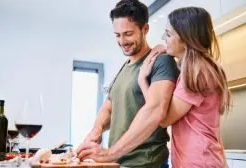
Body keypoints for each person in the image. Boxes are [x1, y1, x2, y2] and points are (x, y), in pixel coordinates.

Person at [76, 0, 179, 167]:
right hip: (120, 163)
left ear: (145, 29)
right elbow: (109, 106)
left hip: (147, 163)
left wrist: (110, 153)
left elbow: (155, 111)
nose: (122, 41)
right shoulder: (125, 67)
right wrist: (97, 130)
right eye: (117, 35)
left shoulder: (161, 61)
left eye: (128, 34)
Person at [138, 7, 231, 168]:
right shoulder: (201, 68)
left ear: (186, 38)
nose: (163, 38)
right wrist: (166, 50)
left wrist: (142, 81)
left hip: (197, 162)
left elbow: (163, 118)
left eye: (168, 34)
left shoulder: (196, 74)